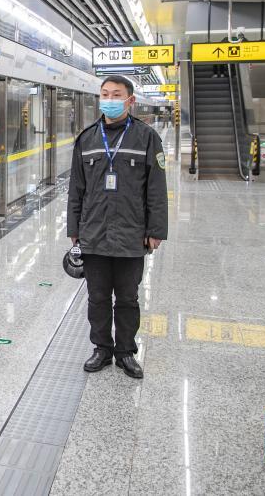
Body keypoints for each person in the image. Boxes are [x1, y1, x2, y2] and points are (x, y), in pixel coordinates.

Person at [67, 75, 168, 379]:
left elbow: (156, 188)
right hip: (94, 233)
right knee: (97, 297)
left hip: (131, 233)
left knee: (127, 298)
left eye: (116, 94)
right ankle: (101, 348)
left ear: (130, 100)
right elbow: (76, 189)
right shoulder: (86, 139)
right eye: (105, 94)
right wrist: (74, 229)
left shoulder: (147, 137)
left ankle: (125, 352)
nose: (109, 100)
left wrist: (156, 230)